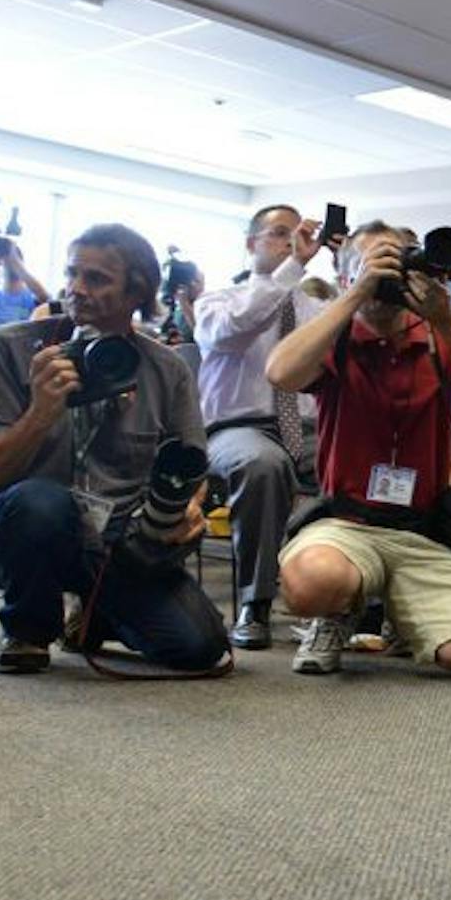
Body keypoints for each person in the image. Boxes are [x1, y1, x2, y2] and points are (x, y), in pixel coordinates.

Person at [0, 223, 226, 674]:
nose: (76, 290)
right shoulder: (9, 347)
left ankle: (97, 612)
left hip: (119, 545)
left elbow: (190, 465)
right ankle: (26, 628)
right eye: (72, 274)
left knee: (197, 648)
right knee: (41, 502)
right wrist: (41, 411)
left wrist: (189, 505)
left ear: (137, 292)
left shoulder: (167, 369)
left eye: (97, 279)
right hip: (16, 531)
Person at [267, 222, 451, 681]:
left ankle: (404, 616)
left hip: (421, 531)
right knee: (316, 581)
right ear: (346, 277)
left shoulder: (437, 336)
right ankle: (335, 614)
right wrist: (356, 295)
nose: (386, 281)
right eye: (371, 266)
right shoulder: (338, 337)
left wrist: (448, 318)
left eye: (395, 267)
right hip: (346, 525)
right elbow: (281, 373)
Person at [191, 203, 327, 648]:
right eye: (279, 233)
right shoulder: (217, 301)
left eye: (298, 234)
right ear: (251, 244)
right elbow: (237, 329)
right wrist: (293, 268)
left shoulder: (317, 309)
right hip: (237, 429)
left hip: (307, 430)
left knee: (364, 459)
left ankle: (351, 602)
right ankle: (257, 602)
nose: (291, 241)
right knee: (262, 466)